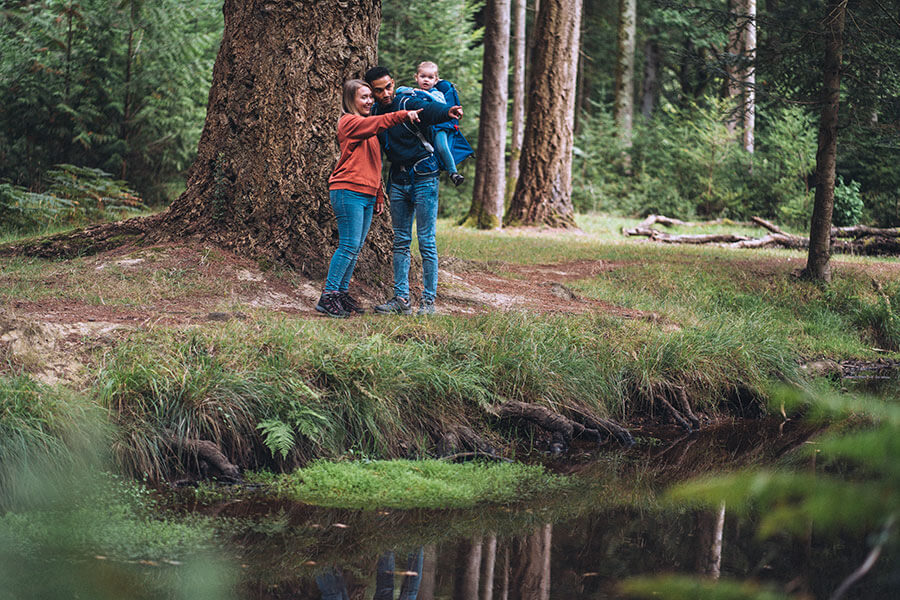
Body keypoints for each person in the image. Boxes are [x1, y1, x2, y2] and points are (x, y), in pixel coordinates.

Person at [316, 79, 422, 318]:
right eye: (363, 97)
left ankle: (341, 293)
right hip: (347, 190)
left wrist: (378, 194)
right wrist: (402, 114)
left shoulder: (367, 127)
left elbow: (374, 165)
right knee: (348, 246)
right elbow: (381, 121)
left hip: (365, 193)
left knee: (356, 247)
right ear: (350, 100)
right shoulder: (349, 122)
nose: (369, 101)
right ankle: (328, 295)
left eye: (370, 97)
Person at [364, 66, 463, 316]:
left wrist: (446, 112)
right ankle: (401, 299)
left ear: (393, 83)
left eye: (388, 87)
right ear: (372, 92)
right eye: (378, 90)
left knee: (426, 241)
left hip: (424, 175)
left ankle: (428, 303)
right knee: (400, 241)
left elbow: (427, 110)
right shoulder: (374, 112)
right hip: (397, 179)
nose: (385, 93)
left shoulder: (406, 100)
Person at [407, 61, 471, 187]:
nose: (426, 80)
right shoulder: (413, 91)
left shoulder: (437, 93)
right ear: (416, 77)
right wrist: (411, 91)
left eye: (430, 78)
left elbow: (438, 104)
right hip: (425, 128)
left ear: (436, 80)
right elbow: (400, 90)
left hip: (440, 127)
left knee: (442, 146)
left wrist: (421, 93)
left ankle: (453, 173)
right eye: (423, 76)